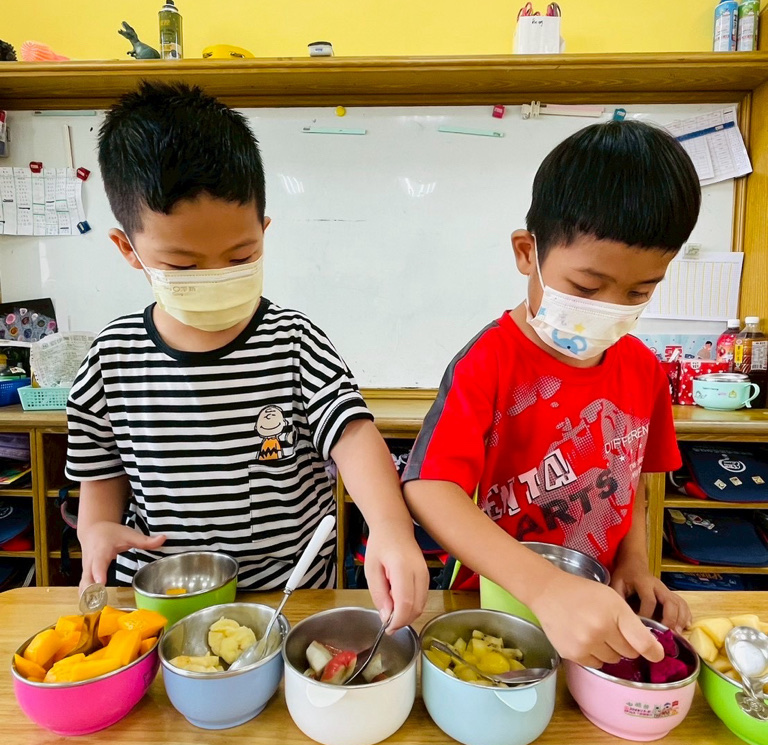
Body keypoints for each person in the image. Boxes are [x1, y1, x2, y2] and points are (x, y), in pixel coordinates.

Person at [66, 82, 429, 629]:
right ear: (128, 249)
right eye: (183, 266)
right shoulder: (110, 358)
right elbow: (102, 471)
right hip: (167, 604)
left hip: (288, 602)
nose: (215, 277)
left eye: (241, 256)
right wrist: (96, 528)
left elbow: (354, 437)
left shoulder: (294, 341)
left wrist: (391, 527)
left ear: (264, 230)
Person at [403, 120, 700, 666]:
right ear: (527, 253)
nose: (610, 309)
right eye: (586, 287)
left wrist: (635, 563)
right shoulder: (489, 362)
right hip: (495, 603)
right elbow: (429, 487)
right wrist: (544, 587)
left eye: (639, 291)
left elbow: (631, 478)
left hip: (597, 608)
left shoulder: (643, 369)